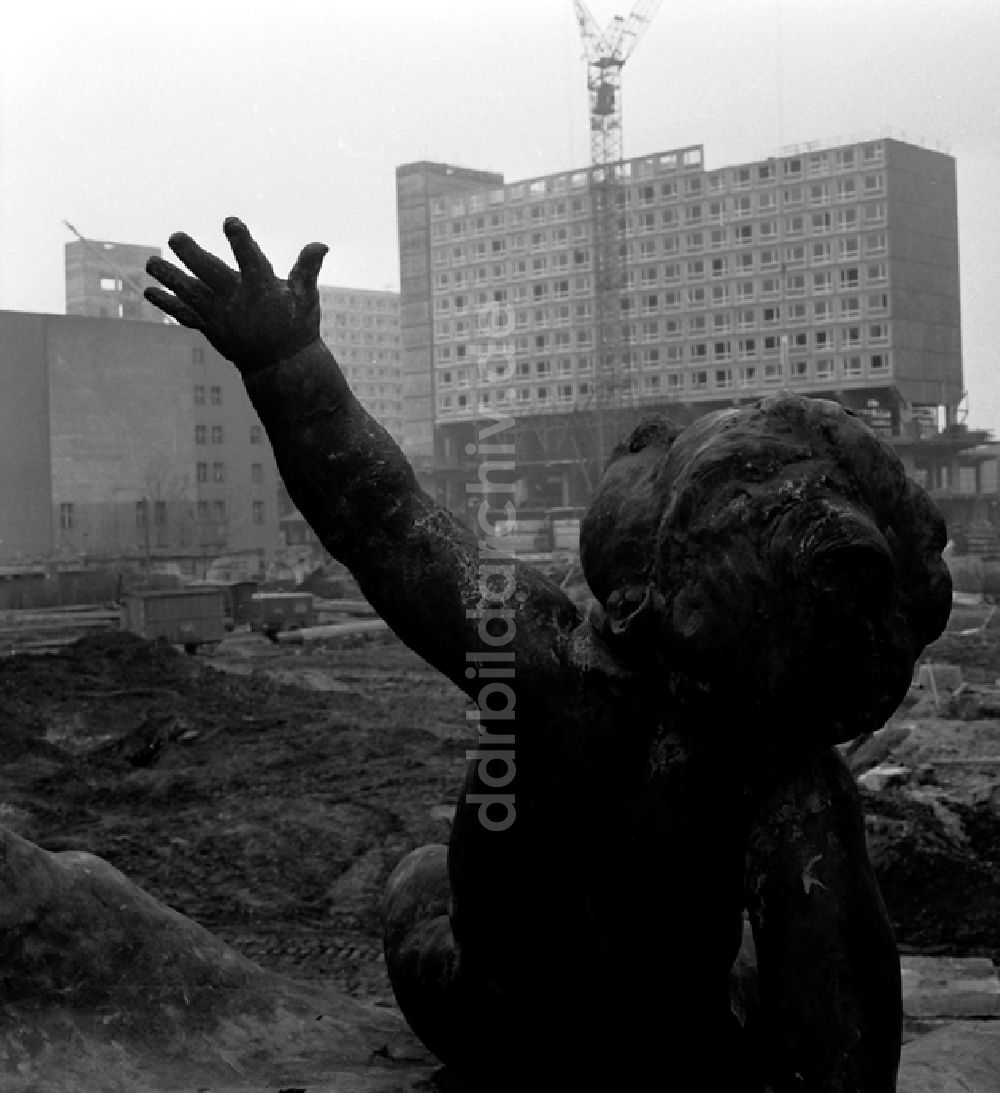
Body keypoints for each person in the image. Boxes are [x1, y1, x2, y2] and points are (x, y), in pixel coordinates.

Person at [146, 218, 951, 1091]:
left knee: (417, 882)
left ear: (650, 588)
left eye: (666, 461)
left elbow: (380, 514)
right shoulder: (793, 780)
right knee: (733, 960)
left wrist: (285, 366)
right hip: (678, 1049)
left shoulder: (538, 661)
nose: (646, 444)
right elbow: (846, 1022)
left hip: (506, 1027)